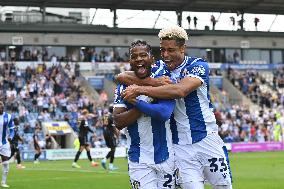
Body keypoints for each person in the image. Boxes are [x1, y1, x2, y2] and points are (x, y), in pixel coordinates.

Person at [118, 26, 233, 189]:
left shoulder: (197, 65)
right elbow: (122, 76)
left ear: (182, 48)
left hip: (207, 139)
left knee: (223, 187)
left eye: (171, 50)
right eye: (162, 50)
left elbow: (181, 90)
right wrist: (153, 81)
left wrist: (140, 88)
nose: (165, 55)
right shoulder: (160, 68)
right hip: (179, 147)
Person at [113, 40, 177, 188]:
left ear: (152, 59)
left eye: (143, 55)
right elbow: (118, 121)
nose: (139, 59)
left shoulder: (163, 78)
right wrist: (149, 99)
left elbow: (164, 113)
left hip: (166, 156)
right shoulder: (123, 85)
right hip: (138, 160)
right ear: (130, 61)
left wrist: (137, 101)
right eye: (134, 56)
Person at [0, 101, 15, 188]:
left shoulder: (8, 117)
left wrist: (11, 136)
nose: (1, 109)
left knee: (6, 163)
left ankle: (3, 182)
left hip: (4, 143)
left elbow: (12, 129)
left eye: (2, 108)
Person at [101, 104, 119, 171]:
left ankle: (111, 166)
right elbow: (114, 127)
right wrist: (117, 135)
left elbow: (104, 124)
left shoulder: (105, 115)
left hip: (104, 133)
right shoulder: (112, 116)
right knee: (113, 149)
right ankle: (104, 160)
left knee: (112, 149)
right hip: (110, 133)